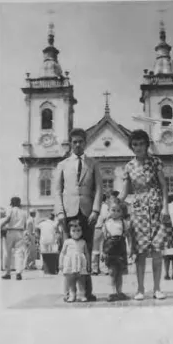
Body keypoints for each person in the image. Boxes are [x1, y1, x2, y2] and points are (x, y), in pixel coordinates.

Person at [119, 129, 173, 300]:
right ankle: (141, 289)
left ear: (146, 145)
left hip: (157, 207)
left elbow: (164, 186)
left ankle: (157, 288)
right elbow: (124, 192)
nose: (138, 147)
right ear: (131, 146)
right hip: (139, 210)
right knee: (140, 252)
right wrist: (113, 205)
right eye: (135, 144)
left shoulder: (155, 162)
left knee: (158, 251)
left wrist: (165, 208)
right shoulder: (128, 166)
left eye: (141, 144)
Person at [54, 128, 103, 301]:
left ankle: (86, 292)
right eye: (74, 141)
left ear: (85, 142)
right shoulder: (63, 165)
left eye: (80, 141)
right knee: (68, 253)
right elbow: (57, 191)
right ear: (70, 143)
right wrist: (60, 212)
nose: (77, 144)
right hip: (68, 213)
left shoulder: (93, 164)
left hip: (87, 213)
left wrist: (96, 210)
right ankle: (68, 292)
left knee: (86, 252)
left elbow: (99, 189)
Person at [101, 198, 128, 302]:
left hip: (120, 248)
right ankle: (112, 292)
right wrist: (103, 252)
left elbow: (127, 236)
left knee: (120, 272)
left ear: (121, 212)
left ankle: (119, 291)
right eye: (113, 210)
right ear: (108, 211)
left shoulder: (123, 222)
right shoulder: (106, 223)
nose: (115, 213)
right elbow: (104, 239)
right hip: (110, 249)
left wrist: (129, 250)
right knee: (112, 272)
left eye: (118, 210)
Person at [59, 220, 90, 302]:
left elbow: (86, 253)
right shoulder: (67, 242)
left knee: (81, 280)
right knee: (71, 281)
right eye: (73, 230)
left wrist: (89, 265)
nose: (76, 232)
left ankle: (82, 295)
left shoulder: (83, 242)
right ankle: (72, 295)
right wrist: (60, 263)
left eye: (79, 230)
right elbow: (62, 253)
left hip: (81, 264)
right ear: (69, 232)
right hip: (70, 264)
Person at [1, 197, 27, 280]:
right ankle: (18, 273)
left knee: (8, 253)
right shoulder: (24, 212)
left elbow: (8, 219)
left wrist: (1, 225)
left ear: (12, 203)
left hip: (11, 231)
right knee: (19, 253)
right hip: (20, 232)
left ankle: (8, 273)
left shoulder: (11, 210)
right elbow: (25, 225)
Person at [91, 194, 109, 275]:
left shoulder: (94, 205)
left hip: (96, 228)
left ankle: (95, 269)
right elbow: (106, 216)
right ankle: (104, 268)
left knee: (95, 250)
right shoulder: (105, 206)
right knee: (103, 249)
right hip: (104, 228)